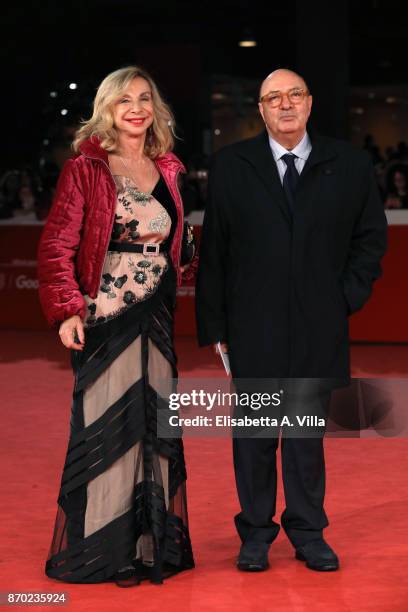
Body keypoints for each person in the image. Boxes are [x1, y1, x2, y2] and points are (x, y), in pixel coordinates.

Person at [195, 68, 387, 572]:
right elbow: (215, 250)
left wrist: (342, 297)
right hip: (251, 326)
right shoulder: (232, 165)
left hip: (318, 324)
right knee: (255, 434)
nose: (285, 105)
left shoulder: (348, 163)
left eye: (294, 95)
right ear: (260, 110)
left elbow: (370, 240)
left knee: (305, 436)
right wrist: (216, 329)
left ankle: (307, 532)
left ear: (309, 103)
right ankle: (255, 534)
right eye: (273, 98)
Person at [38, 66, 195, 586]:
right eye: (124, 98)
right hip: (106, 313)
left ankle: (148, 543)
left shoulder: (169, 166)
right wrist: (66, 311)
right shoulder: (86, 168)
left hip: (158, 312)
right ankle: (109, 549)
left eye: (145, 98)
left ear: (155, 109)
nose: (136, 107)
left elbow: (177, 243)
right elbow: (58, 243)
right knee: (111, 428)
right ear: (107, 106)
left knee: (155, 427)